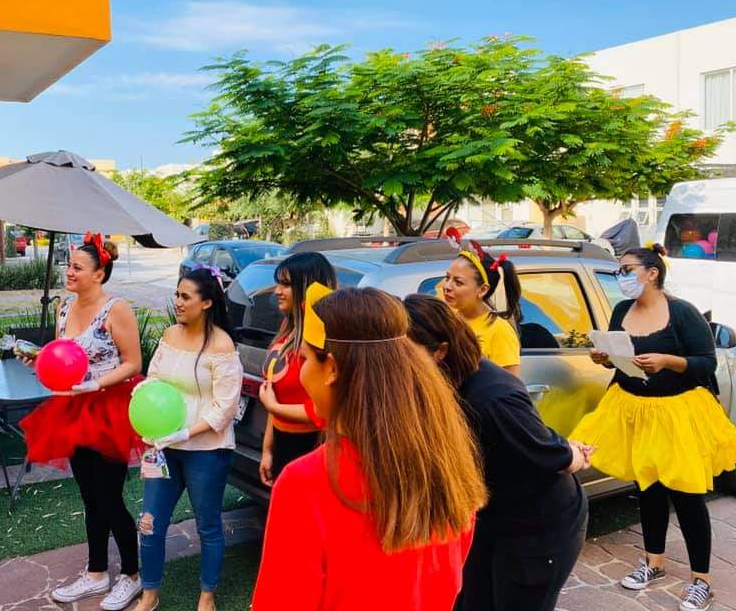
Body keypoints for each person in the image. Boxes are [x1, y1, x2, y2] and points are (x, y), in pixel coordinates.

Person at [252, 285, 486, 610]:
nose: (301, 372)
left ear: (332, 368)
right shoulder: (446, 458)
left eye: (304, 359)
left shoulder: (305, 483)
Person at [570, 244, 736, 611]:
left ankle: (702, 581)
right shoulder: (622, 310)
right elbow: (619, 358)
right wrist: (604, 358)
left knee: (688, 495)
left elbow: (706, 363)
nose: (621, 276)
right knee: (648, 488)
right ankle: (654, 562)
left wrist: (667, 360)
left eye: (627, 269)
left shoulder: (682, 313)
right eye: (619, 270)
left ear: (652, 273)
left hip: (676, 414)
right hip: (634, 410)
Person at [403, 294, 591, 611]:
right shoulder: (432, 383)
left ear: (440, 351)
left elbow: (547, 453)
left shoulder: (492, 397)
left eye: (405, 353)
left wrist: (574, 454)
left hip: (536, 529)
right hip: (487, 516)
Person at [19, 233, 146, 610]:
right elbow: (64, 356)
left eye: (77, 267)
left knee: (109, 498)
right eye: (68, 265)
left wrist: (96, 383)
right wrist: (39, 359)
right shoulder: (64, 308)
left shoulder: (116, 309)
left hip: (110, 410)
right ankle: (96, 573)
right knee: (89, 496)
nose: (69, 272)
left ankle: (132, 575)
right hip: (73, 409)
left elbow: (133, 363)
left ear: (99, 274)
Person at [135, 266, 243, 611]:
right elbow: (154, 378)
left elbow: (225, 408)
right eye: (176, 295)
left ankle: (207, 596)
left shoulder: (222, 345)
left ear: (207, 302)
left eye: (186, 296)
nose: (178, 302)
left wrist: (185, 432)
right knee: (150, 523)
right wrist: (144, 393)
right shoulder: (169, 335)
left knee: (207, 525)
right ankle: (149, 594)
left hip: (207, 451)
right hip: (163, 448)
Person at [257, 252, 337, 486]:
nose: (276, 291)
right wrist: (267, 450)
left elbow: (327, 410)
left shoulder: (321, 340)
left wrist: (274, 407)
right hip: (281, 443)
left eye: (286, 284)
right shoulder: (287, 329)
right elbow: (274, 392)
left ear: (307, 287)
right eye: (278, 283)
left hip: (313, 446)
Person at [442, 240, 522, 374]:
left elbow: (508, 384)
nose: (447, 286)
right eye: (447, 277)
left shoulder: (500, 331)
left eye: (458, 282)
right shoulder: (448, 320)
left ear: (482, 290)